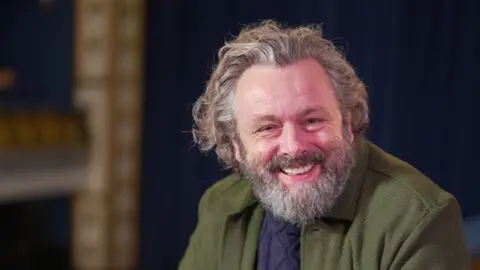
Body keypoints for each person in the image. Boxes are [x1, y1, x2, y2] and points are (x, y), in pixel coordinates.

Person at [179, 20, 471, 270]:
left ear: (347, 121)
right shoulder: (219, 206)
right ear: (236, 144)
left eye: (313, 120)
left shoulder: (418, 220)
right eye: (268, 128)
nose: (293, 147)